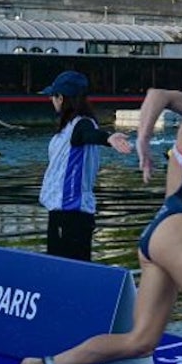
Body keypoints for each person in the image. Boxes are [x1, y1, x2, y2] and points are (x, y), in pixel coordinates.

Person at [19, 59, 182, 364]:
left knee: (140, 341)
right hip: (176, 238)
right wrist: (142, 138)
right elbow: (160, 94)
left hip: (156, 237)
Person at [38, 70, 132, 261]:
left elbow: (89, 135)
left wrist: (108, 138)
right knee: (60, 268)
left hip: (71, 213)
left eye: (53, 96)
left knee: (68, 269)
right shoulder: (67, 128)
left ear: (61, 98)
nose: (51, 100)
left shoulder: (81, 124)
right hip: (60, 211)